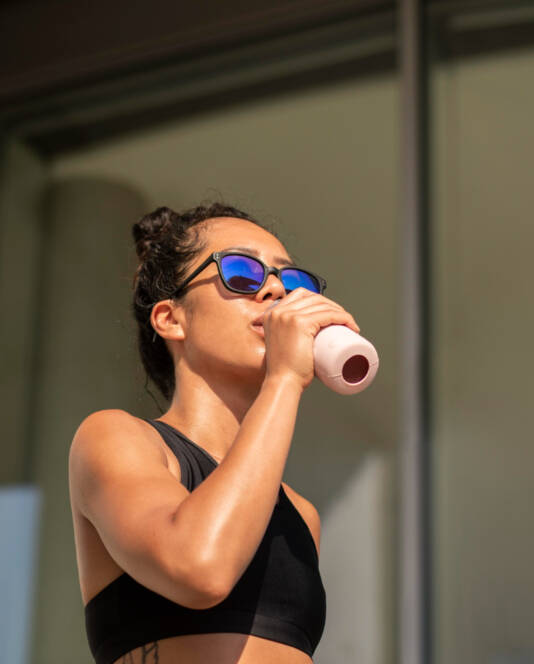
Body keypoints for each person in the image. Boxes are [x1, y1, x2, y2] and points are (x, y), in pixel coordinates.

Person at [69, 203, 361, 664]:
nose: (273, 290)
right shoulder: (115, 438)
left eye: (290, 282)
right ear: (171, 319)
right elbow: (199, 567)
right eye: (241, 272)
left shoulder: (301, 514)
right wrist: (284, 380)